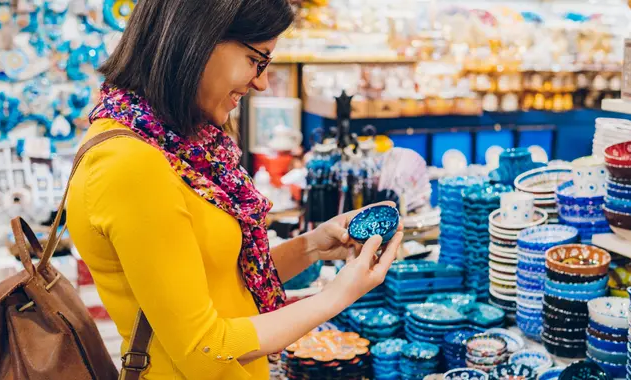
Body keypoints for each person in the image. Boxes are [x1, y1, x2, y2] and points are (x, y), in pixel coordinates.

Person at [66, 1, 404, 379]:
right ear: (196, 39)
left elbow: (223, 282)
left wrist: (310, 246)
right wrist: (339, 294)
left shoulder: (178, 145)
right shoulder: (131, 164)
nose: (260, 82)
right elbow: (204, 350)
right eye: (256, 60)